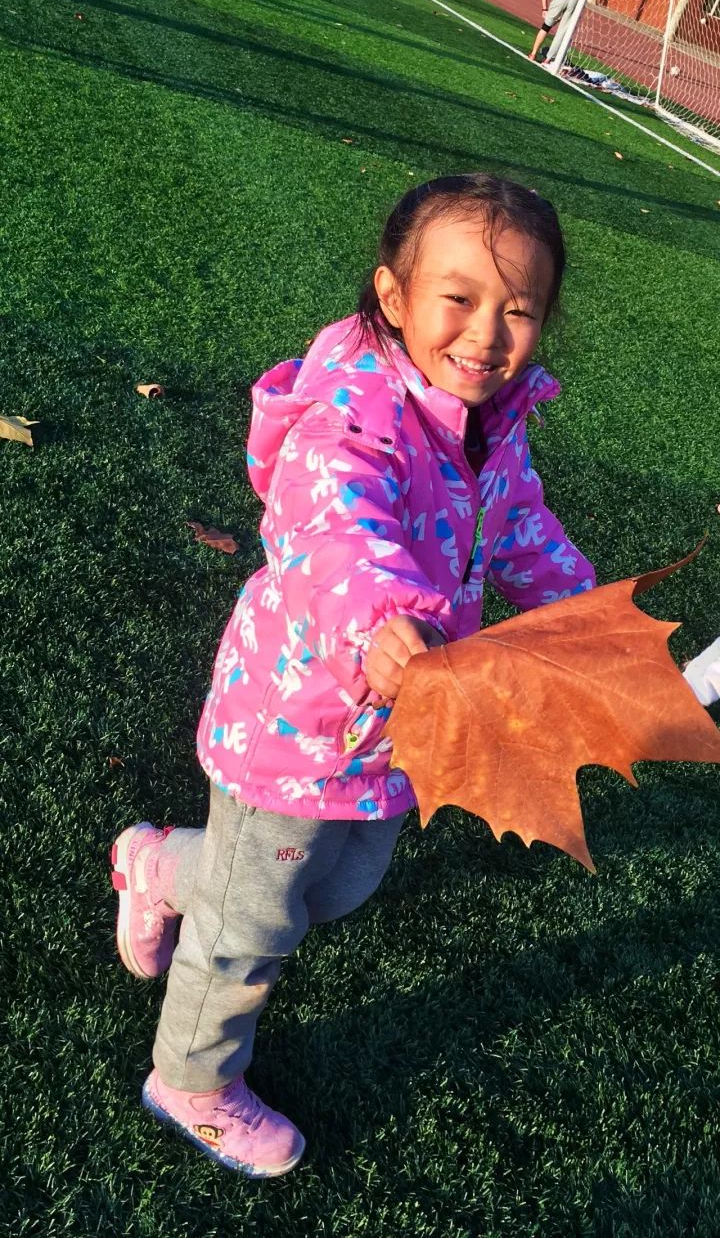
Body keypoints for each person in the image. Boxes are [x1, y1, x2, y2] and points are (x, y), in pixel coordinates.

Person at [111, 173, 596, 1177]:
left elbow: (516, 521)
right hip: (296, 722)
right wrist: (381, 622)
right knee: (250, 924)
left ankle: (157, 866)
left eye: (518, 310)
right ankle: (190, 1078)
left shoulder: (492, 420)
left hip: (398, 726)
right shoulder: (348, 411)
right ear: (392, 294)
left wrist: (583, 616)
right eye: (458, 298)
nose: (487, 333)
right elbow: (334, 526)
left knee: (336, 887)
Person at [528, 0, 585, 64]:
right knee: (562, 32)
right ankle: (548, 59)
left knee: (546, 27)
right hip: (575, 1)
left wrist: (544, 9)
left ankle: (533, 54)